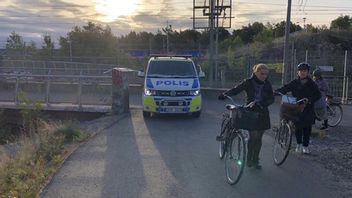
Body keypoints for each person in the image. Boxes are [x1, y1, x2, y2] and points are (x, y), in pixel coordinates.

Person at [218, 63, 274, 169]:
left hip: (263, 113)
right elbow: (236, 89)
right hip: (250, 113)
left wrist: (261, 103)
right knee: (253, 137)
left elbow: (271, 98)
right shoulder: (248, 82)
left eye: (266, 74)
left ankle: (255, 160)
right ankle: (249, 158)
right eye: (262, 74)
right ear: (255, 72)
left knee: (259, 139)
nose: (264, 76)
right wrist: (225, 94)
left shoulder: (267, 84)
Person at [275, 63, 321, 154]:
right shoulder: (294, 82)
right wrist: (277, 91)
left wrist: (310, 100)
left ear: (308, 72)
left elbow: (318, 95)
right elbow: (285, 88)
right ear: (298, 72)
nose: (303, 72)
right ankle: (299, 144)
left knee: (307, 128)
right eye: (301, 71)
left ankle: (306, 146)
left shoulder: (312, 84)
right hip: (296, 107)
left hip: (308, 108)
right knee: (298, 127)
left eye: (305, 71)